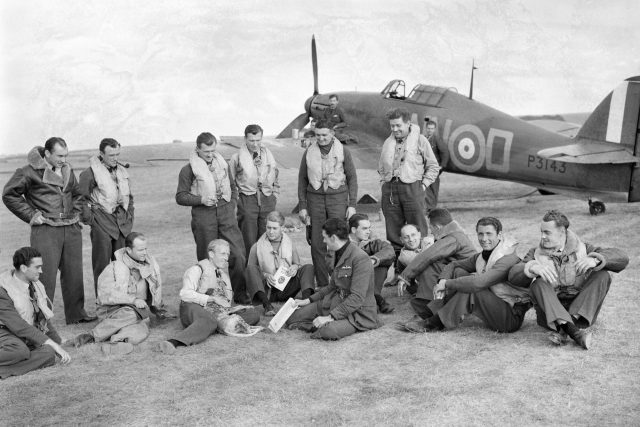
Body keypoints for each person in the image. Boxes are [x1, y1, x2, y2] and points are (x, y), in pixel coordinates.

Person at [2, 137, 96, 324]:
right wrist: (31, 215)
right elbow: (9, 194)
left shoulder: (67, 169)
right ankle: (42, 318)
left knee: (74, 272)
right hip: (46, 229)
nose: (63, 159)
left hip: (71, 228)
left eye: (66, 155)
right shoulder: (27, 172)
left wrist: (76, 214)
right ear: (46, 153)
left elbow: (77, 194)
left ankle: (76, 315)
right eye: (59, 155)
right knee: (43, 274)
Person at [508, 210, 629, 349]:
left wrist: (595, 259)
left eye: (547, 232)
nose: (542, 236)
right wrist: (532, 267)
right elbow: (513, 275)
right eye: (541, 232)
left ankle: (567, 327)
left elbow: (623, 257)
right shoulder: (535, 253)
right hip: (550, 315)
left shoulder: (584, 248)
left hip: (580, 313)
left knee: (603, 275)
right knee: (538, 284)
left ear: (562, 232)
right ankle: (574, 332)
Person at [403, 217, 532, 333]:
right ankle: (430, 313)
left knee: (472, 288)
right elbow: (453, 265)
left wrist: (446, 284)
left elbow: (478, 283)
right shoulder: (483, 255)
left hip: (511, 317)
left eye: (489, 234)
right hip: (497, 303)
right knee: (459, 273)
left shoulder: (507, 258)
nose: (484, 239)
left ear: (499, 235)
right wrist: (442, 280)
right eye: (480, 234)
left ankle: (434, 323)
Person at [69, 232, 173, 355]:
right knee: (134, 314)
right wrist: (133, 300)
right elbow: (106, 296)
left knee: (142, 326)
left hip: (138, 310)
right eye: (140, 250)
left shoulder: (150, 264)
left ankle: (119, 342)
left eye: (146, 248)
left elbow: (155, 288)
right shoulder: (115, 267)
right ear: (129, 250)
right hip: (111, 311)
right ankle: (90, 336)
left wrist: (158, 308)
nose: (145, 252)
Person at [176, 132, 248, 303]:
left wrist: (231, 205)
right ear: (197, 149)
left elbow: (232, 186)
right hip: (203, 216)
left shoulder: (223, 164)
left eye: (212, 150)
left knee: (238, 255)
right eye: (206, 151)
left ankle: (239, 293)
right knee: (207, 259)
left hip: (226, 214)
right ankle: (210, 297)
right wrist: (200, 199)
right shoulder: (188, 170)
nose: (210, 155)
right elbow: (180, 196)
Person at [157, 239, 261, 354]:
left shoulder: (223, 275)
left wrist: (234, 309)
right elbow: (185, 294)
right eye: (222, 253)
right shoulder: (197, 270)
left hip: (216, 312)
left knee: (253, 314)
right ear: (211, 254)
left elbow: (225, 303)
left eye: (228, 254)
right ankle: (174, 342)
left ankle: (215, 326)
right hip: (194, 307)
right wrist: (210, 299)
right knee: (209, 320)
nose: (226, 258)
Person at [286, 218, 380, 340]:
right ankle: (320, 324)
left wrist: (329, 317)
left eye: (325, 237)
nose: (324, 241)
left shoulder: (360, 258)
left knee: (328, 331)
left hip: (357, 313)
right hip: (337, 302)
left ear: (333, 238)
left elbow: (357, 298)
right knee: (291, 319)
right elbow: (332, 286)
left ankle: (324, 325)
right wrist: (308, 300)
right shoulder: (336, 252)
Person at [297, 119, 358, 288]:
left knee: (339, 240)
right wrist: (303, 206)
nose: (321, 138)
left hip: (337, 199)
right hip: (315, 200)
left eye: (324, 135)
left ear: (332, 133)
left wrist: (351, 204)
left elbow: (352, 177)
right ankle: (324, 286)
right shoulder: (308, 152)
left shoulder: (344, 150)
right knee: (317, 243)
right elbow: (302, 180)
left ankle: (342, 283)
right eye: (317, 135)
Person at [0, 247, 70, 379]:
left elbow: (42, 317)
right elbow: (19, 326)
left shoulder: (35, 284)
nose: (41, 271)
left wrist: (57, 342)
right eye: (37, 267)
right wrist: (52, 343)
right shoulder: (2, 289)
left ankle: (4, 370)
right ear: (24, 268)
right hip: (5, 332)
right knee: (19, 351)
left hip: (21, 335)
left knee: (49, 353)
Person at [378, 108, 440, 252]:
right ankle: (399, 266)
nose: (395, 129)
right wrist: (383, 183)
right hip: (390, 190)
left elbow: (433, 166)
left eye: (398, 125)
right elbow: (381, 167)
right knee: (393, 232)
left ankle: (422, 266)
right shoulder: (388, 142)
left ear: (407, 123)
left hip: (412, 188)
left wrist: (423, 185)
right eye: (392, 126)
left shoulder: (420, 140)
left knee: (418, 230)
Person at [79, 138, 134, 296]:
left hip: (122, 224)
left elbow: (130, 197)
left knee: (123, 265)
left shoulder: (122, 172)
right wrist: (91, 221)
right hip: (101, 223)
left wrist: (129, 217)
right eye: (111, 155)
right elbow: (80, 198)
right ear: (101, 154)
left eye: (117, 154)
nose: (115, 158)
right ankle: (103, 304)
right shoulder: (89, 173)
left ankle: (123, 302)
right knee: (102, 267)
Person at [397, 209, 476, 319]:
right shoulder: (456, 234)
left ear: (437, 227)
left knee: (430, 265)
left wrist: (405, 277)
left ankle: (429, 305)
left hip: (465, 276)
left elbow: (428, 256)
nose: (431, 232)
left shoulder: (452, 238)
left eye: (431, 228)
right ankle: (429, 303)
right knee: (434, 265)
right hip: (463, 273)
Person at [245, 211, 315, 315]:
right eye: (268, 228)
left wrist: (294, 268)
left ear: (282, 228)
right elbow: (251, 273)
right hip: (268, 290)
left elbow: (297, 263)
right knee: (250, 268)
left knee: (309, 267)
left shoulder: (289, 242)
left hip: (286, 285)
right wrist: (265, 275)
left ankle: (305, 303)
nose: (271, 232)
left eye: (274, 228)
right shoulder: (256, 246)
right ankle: (267, 305)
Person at [229, 124, 280, 258]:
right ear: (245, 139)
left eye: (258, 140)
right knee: (249, 238)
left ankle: (267, 271)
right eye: (252, 140)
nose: (255, 144)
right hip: (247, 199)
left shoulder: (268, 154)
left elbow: (275, 174)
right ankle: (249, 272)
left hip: (267, 198)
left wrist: (274, 195)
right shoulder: (236, 158)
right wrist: (238, 201)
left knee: (268, 236)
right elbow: (230, 181)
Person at [348, 213, 395, 314]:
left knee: (382, 262)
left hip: (369, 281)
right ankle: (376, 299)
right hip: (349, 281)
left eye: (369, 228)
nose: (368, 231)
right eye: (364, 228)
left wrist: (373, 260)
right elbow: (332, 266)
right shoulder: (341, 243)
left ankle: (374, 296)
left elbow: (390, 251)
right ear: (353, 230)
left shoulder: (371, 241)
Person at [423, 121, 446, 210]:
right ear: (426, 128)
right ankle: (429, 207)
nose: (430, 130)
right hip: (425, 168)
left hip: (433, 168)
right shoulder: (424, 138)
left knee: (434, 188)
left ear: (434, 129)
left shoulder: (437, 139)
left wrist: (442, 166)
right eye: (428, 128)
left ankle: (432, 208)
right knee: (427, 188)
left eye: (432, 129)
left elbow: (445, 152)